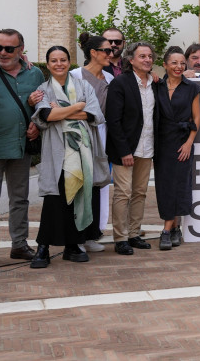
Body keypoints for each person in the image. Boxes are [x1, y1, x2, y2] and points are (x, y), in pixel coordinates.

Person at [30, 46, 109, 268]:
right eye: (54, 61)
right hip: (58, 152)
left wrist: (62, 110)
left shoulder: (84, 85)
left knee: (81, 196)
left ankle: (74, 245)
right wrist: (77, 106)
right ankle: (43, 247)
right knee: (55, 201)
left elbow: (95, 115)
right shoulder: (43, 89)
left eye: (63, 60)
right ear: (47, 65)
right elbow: (46, 115)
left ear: (69, 62)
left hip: (84, 152)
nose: (59, 64)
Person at [0, 29, 42, 269]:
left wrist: (38, 124)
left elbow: (43, 105)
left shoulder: (34, 73)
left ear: (21, 50)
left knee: (20, 199)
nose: (1, 53)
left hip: (21, 146)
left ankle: (19, 245)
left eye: (8, 49)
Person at [106, 42, 158, 255]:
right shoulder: (121, 83)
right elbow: (113, 120)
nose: (147, 59)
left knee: (140, 193)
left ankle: (134, 233)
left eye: (149, 56)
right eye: (142, 56)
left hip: (148, 147)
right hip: (126, 149)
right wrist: (124, 151)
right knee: (123, 193)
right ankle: (120, 238)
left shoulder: (156, 83)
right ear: (131, 60)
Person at [71, 33, 116, 254]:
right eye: (107, 50)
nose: (111, 54)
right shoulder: (74, 76)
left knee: (97, 184)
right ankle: (76, 237)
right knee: (79, 185)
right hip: (78, 138)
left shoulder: (110, 79)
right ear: (93, 53)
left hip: (102, 139)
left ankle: (91, 234)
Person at [153, 47, 200, 250]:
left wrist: (190, 142)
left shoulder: (191, 88)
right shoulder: (156, 87)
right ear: (165, 65)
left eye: (182, 63)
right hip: (162, 142)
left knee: (180, 185)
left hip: (183, 142)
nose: (179, 67)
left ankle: (167, 230)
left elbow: (197, 118)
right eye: (174, 63)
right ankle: (174, 229)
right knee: (164, 186)